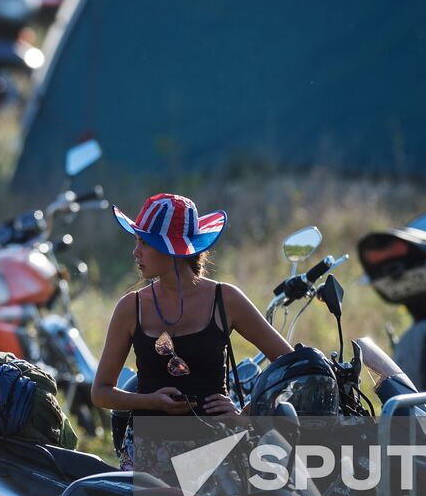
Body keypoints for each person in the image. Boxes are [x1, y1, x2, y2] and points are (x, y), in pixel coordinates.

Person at [92, 193, 294, 469]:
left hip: (219, 452)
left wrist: (246, 416)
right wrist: (151, 402)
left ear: (173, 249)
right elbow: (100, 392)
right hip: (150, 455)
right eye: (136, 241)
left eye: (145, 242)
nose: (135, 252)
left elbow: (289, 364)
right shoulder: (131, 307)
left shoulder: (226, 300)